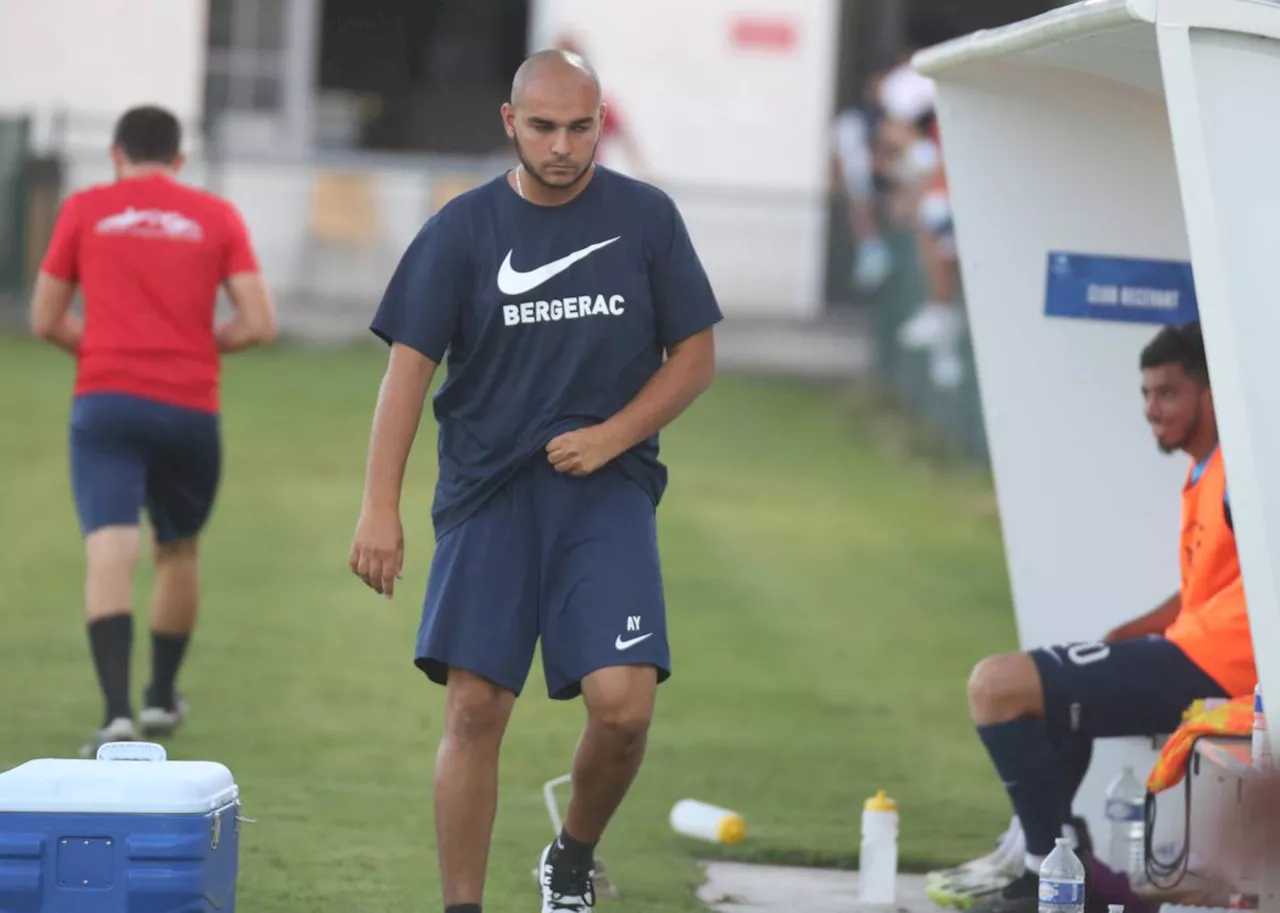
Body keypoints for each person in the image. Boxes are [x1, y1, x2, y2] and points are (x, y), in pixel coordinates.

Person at [347, 49, 721, 913]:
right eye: (544, 126)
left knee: (624, 707)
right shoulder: (460, 229)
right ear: (510, 122)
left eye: (580, 127)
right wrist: (379, 507)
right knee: (475, 708)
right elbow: (406, 373)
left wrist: (612, 435)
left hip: (608, 492)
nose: (562, 145)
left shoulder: (647, 218)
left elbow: (695, 357)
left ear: (601, 123)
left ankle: (571, 855)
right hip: (488, 495)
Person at [941, 322, 1256, 913]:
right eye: (1145, 394)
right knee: (1045, 699)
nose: (1152, 410)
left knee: (997, 686)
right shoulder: (1202, 470)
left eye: (1167, 393)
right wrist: (1130, 635)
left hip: (1219, 669)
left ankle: (1050, 872)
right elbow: (1207, 594)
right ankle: (1068, 864)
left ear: (1209, 397)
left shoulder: (1240, 469)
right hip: (1195, 649)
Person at [29, 105, 277, 757]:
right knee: (179, 548)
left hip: (106, 403)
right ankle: (160, 696)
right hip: (188, 406)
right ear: (180, 159)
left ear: (115, 153)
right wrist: (193, 347)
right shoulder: (215, 216)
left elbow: (45, 318)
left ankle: (115, 716)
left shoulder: (84, 210)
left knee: (109, 551)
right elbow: (258, 322)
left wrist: (106, 351)